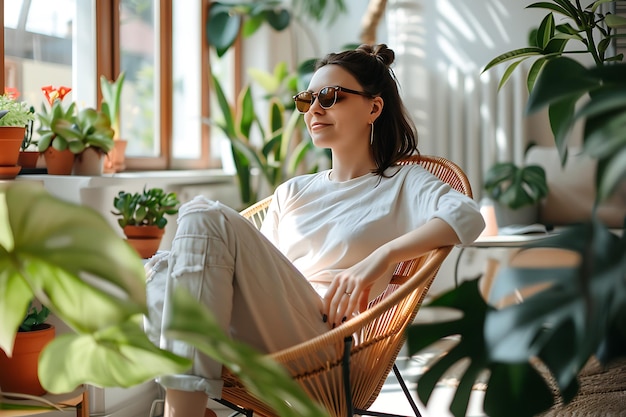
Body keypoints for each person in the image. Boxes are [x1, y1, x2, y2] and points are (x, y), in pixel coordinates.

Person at [146, 43, 485, 417]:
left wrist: (381, 256)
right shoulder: (293, 191)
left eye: (330, 96)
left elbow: (468, 217)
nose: (314, 110)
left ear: (373, 107)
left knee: (202, 214)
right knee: (159, 271)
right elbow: (258, 280)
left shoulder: (402, 182)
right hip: (268, 336)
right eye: (307, 100)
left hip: (332, 348)